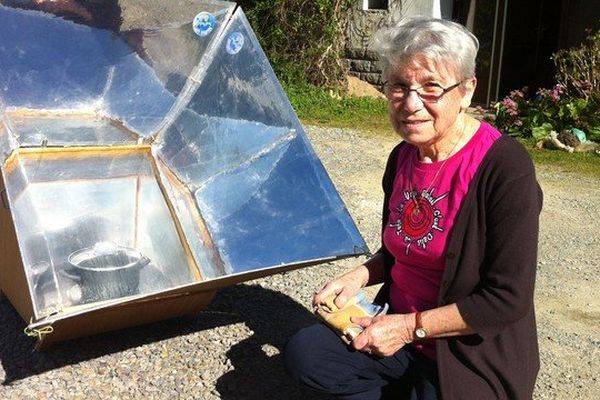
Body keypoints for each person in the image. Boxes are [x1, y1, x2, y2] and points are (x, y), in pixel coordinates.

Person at [284, 16, 542, 400]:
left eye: (431, 88)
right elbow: (399, 250)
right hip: (393, 332)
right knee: (308, 356)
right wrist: (357, 277)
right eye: (400, 86)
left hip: (464, 351)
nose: (411, 104)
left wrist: (408, 328)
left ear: (467, 90)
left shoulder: (505, 167)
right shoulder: (404, 157)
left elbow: (506, 299)